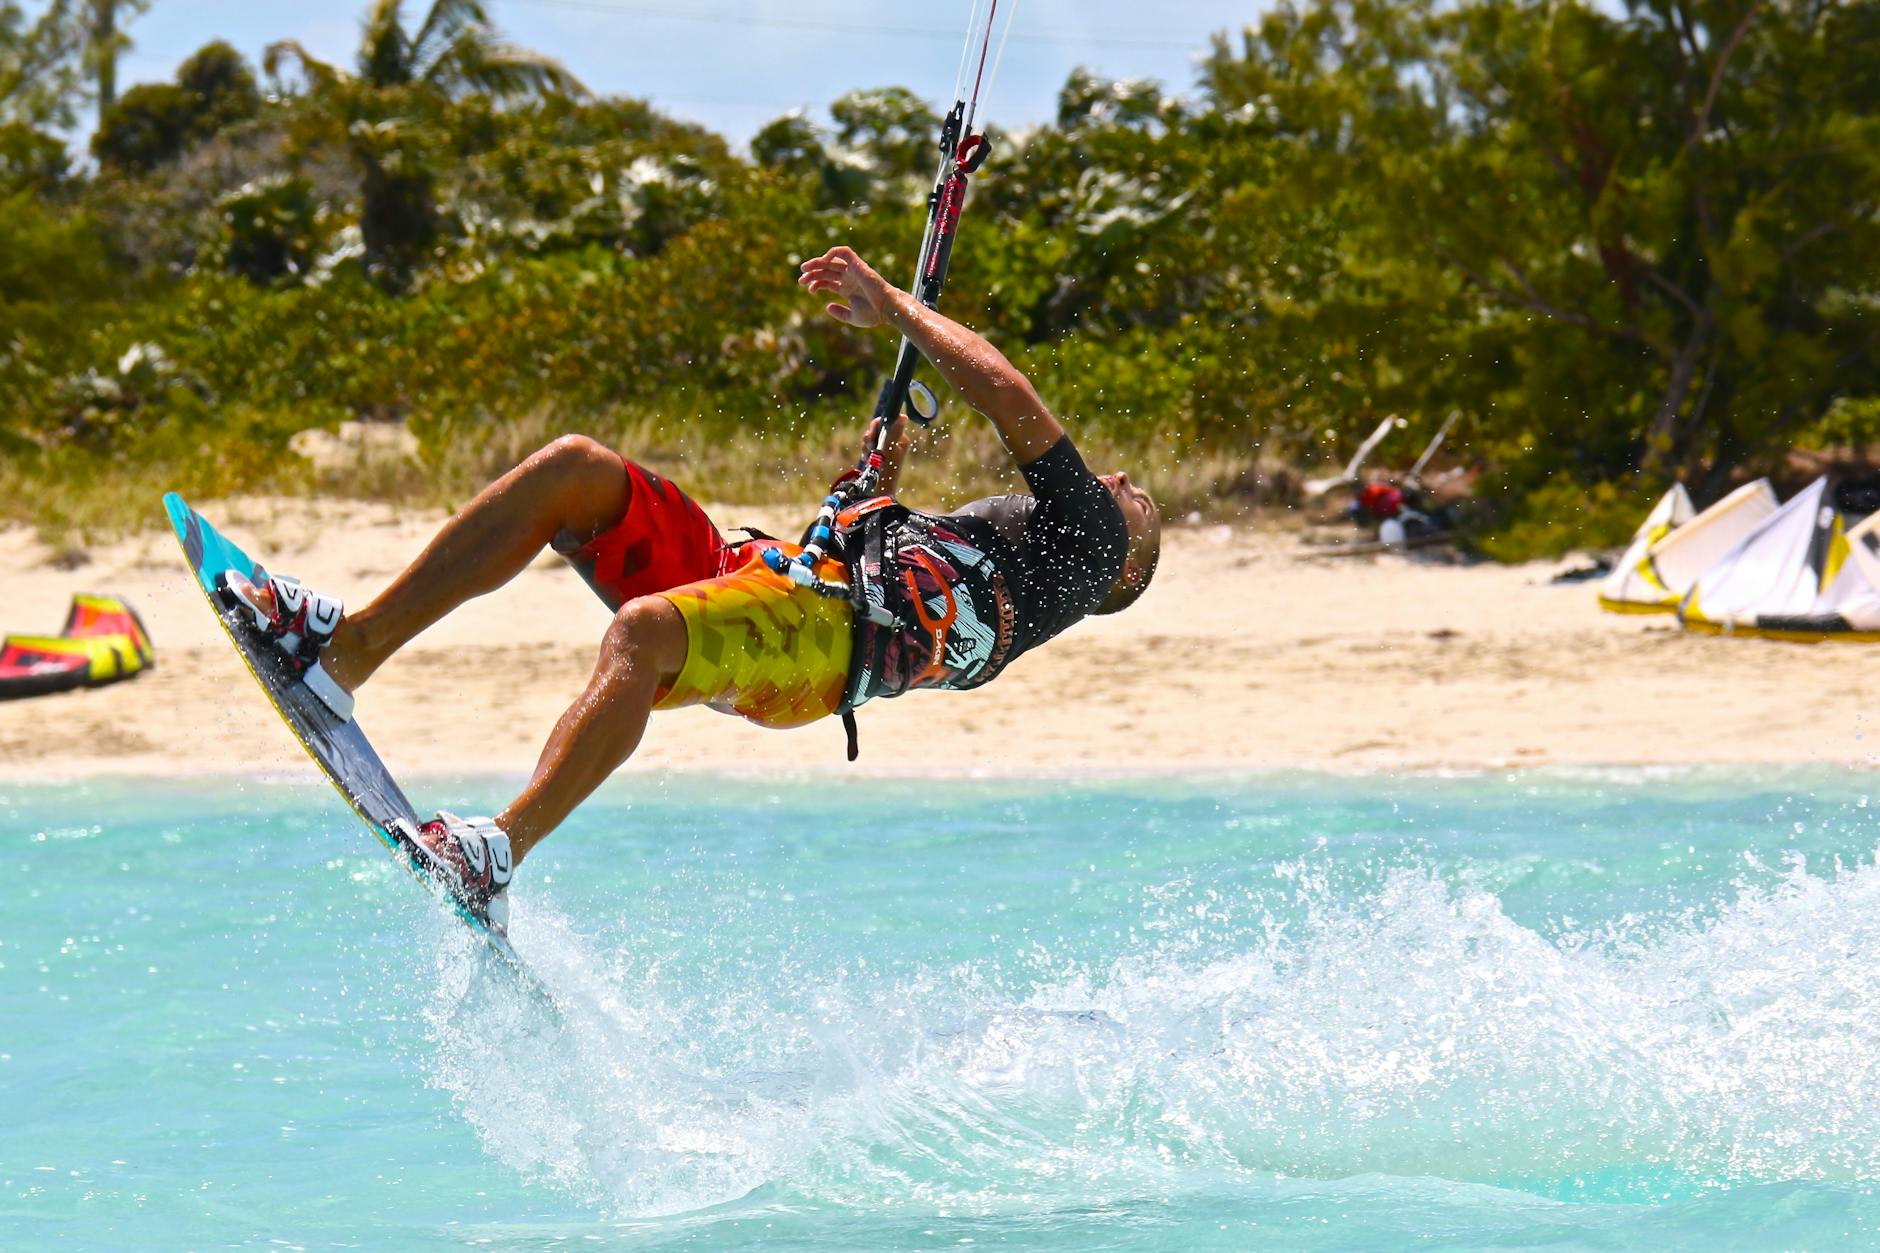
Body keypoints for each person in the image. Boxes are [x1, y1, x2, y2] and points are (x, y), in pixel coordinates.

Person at [226, 246, 1161, 929]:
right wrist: (879, 480)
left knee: (642, 633)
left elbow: (1004, 390)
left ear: (1121, 573)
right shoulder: (1018, 557)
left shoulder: (1086, 550)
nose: (1122, 484)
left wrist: (893, 307)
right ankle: (342, 653)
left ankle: (495, 853)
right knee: (574, 472)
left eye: (1140, 504)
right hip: (777, 582)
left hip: (817, 647)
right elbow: (890, 555)